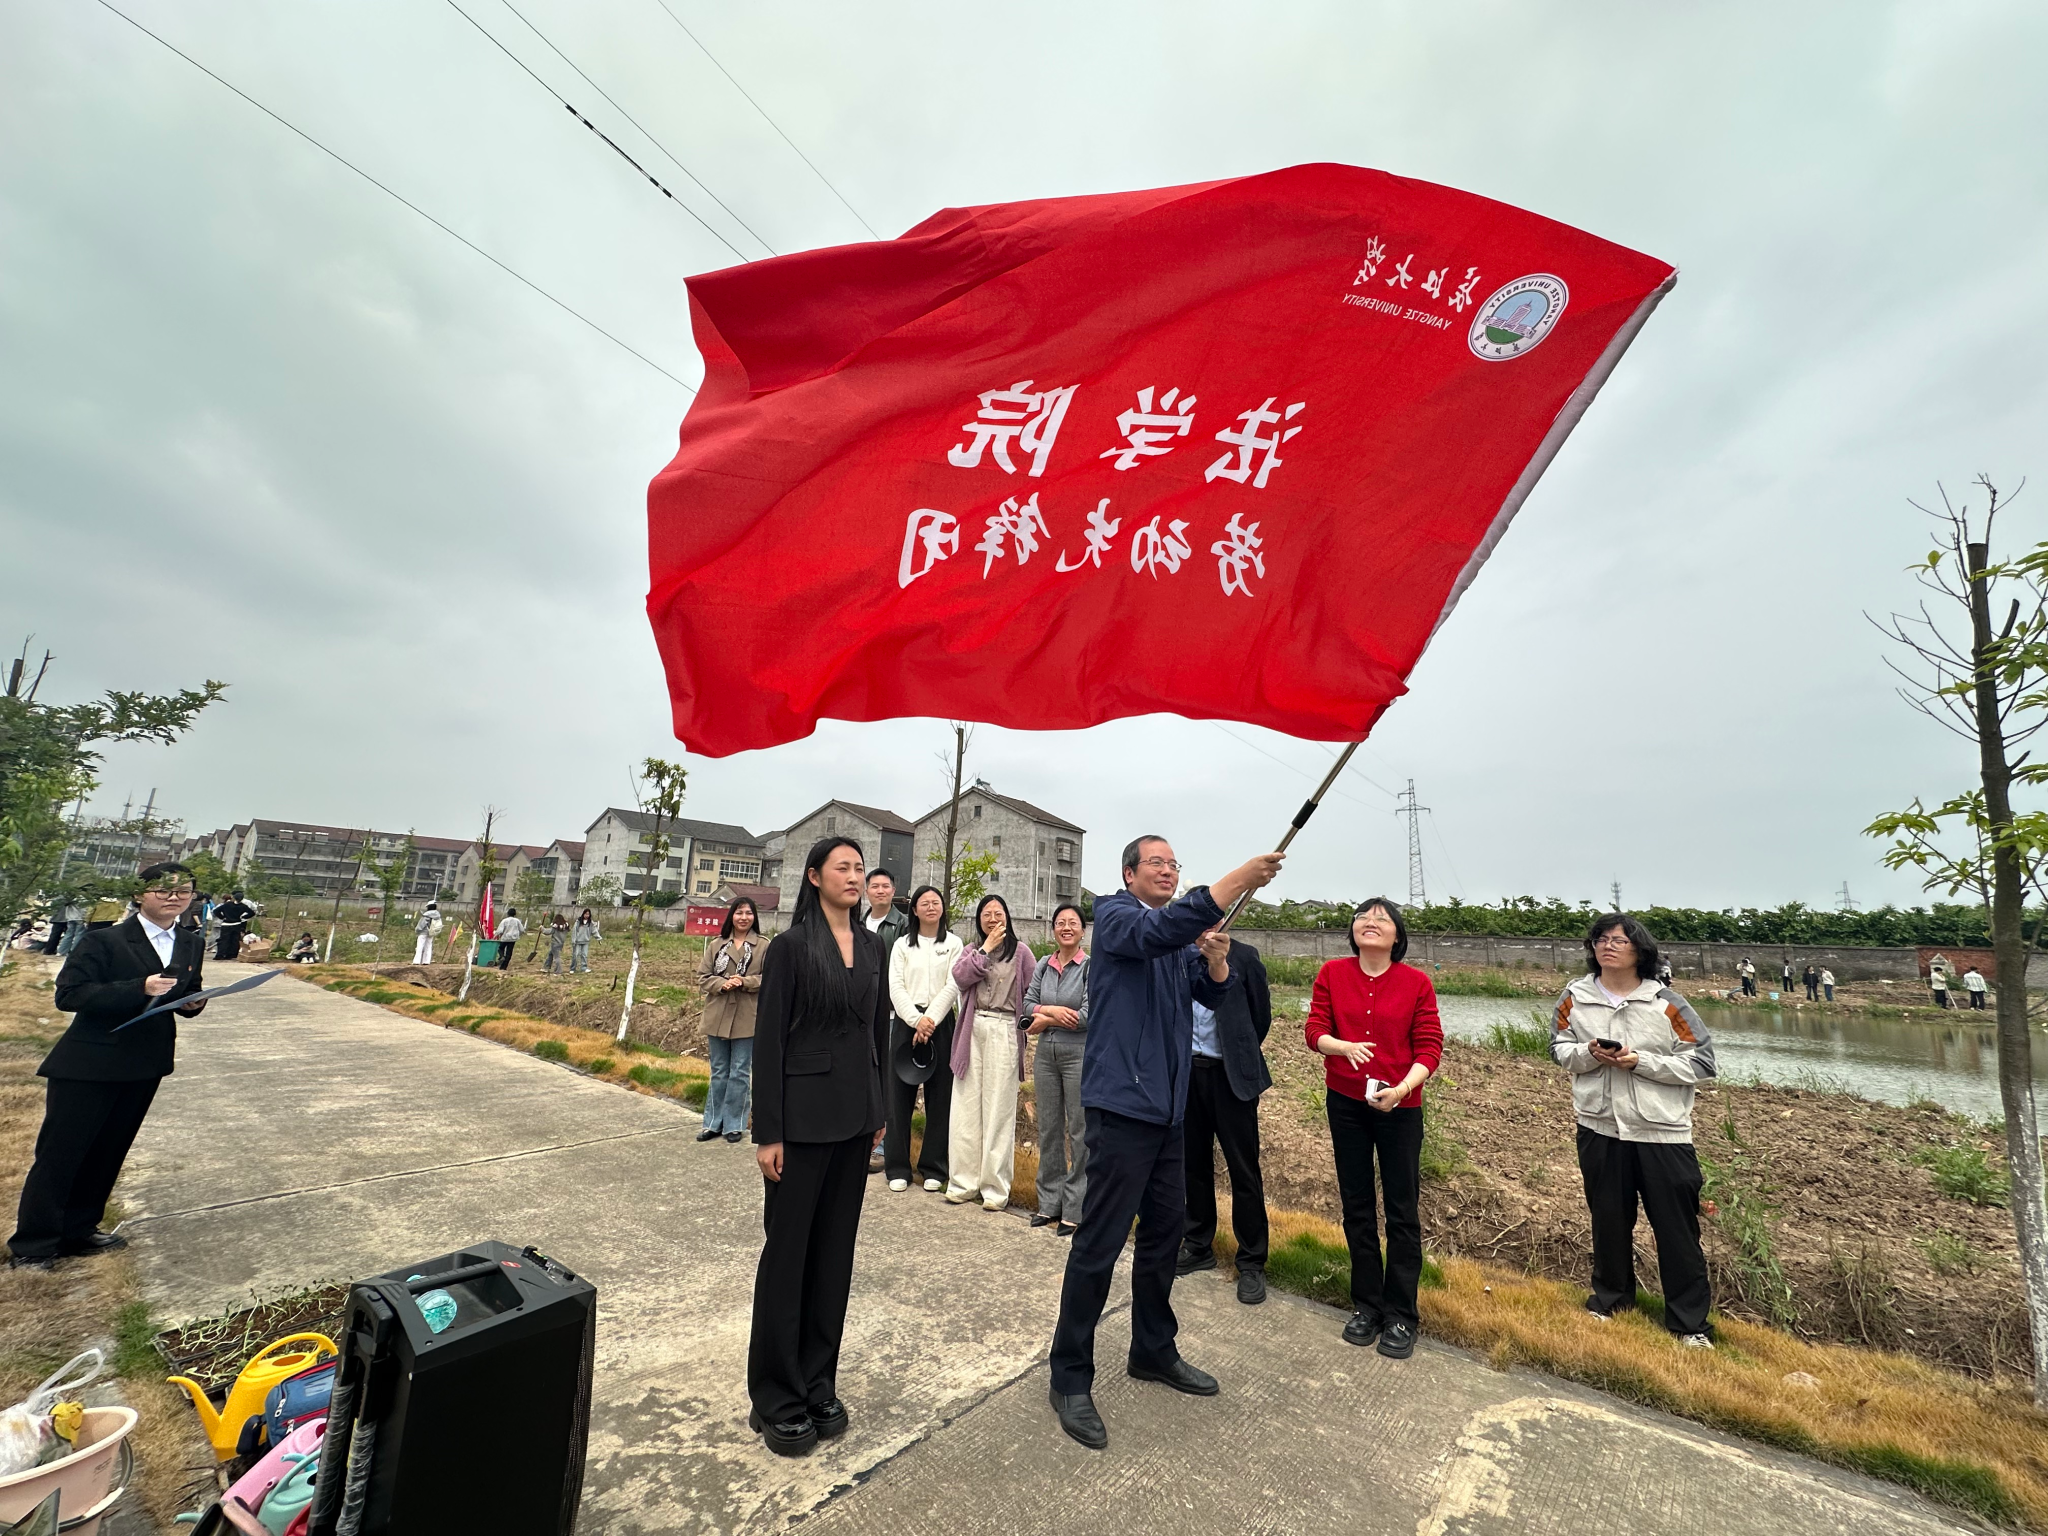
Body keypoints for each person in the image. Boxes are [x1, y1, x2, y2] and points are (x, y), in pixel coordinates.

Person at [1046, 836, 1283, 1451]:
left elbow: (1210, 994)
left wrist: (1217, 961)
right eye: (1157, 863)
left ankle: (1152, 1348)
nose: (1169, 871)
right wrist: (1238, 879)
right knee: (1100, 1242)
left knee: (1162, 1235)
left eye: (1175, 865)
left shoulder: (1175, 940)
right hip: (1123, 1107)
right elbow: (1162, 930)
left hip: (1168, 1110)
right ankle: (1069, 1375)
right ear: (1128, 874)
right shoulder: (1117, 918)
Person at [746, 836, 890, 1457]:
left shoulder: (874, 945)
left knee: (834, 1256)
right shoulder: (791, 947)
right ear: (814, 877)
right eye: (843, 867)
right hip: (801, 1126)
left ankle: (817, 1381)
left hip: (856, 1121)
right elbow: (769, 1040)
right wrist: (768, 1132)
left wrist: (879, 1110)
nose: (854, 876)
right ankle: (775, 1396)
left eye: (860, 868)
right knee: (788, 1258)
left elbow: (877, 1033)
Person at [8, 863, 209, 1270]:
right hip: (90, 1063)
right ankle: (34, 1243)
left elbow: (186, 991)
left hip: (146, 1063)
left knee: (109, 1151)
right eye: (163, 890)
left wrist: (193, 1003)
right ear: (138, 894)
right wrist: (139, 988)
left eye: (183, 890)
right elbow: (69, 995)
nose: (174, 897)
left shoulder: (191, 942)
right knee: (62, 1154)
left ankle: (80, 1230)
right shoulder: (104, 940)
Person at [1550, 912, 1717, 1348]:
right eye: (1601, 939)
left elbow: (1702, 1062)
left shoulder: (1666, 1003)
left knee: (1677, 1230)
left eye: (1619, 940)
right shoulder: (1575, 997)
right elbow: (1558, 1049)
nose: (1608, 946)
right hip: (1599, 1125)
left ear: (1640, 950)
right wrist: (1589, 1054)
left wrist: (1640, 1062)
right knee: (1608, 1219)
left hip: (1661, 1131)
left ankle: (1690, 1324)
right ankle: (1610, 1302)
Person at [1305, 899, 1442, 1357]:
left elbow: (1430, 1047)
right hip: (1346, 1103)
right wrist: (1342, 1047)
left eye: (1382, 918)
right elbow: (1314, 1031)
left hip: (1400, 1107)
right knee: (1356, 1204)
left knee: (1402, 1209)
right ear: (1352, 931)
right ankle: (1366, 1305)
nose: (1370, 922)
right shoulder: (1332, 973)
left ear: (1397, 936)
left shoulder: (1416, 982)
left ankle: (1401, 1314)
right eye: (1363, 916)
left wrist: (1402, 1089)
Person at [1178, 933, 1274, 1305]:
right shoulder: (1182, 956)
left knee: (1243, 1170)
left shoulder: (1245, 957)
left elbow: (1259, 1018)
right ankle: (1198, 1244)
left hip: (1231, 1078)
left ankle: (1251, 1261)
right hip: (1188, 1074)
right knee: (1193, 1165)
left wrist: (1237, 1052)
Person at [947, 896, 1035, 1210]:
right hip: (972, 1028)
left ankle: (995, 1190)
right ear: (979, 919)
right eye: (987, 913)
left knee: (999, 1109)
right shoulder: (972, 950)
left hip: (1004, 1028)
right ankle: (963, 1183)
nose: (993, 918)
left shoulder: (1021, 953)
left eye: (998, 913)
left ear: (1007, 917)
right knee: (966, 1107)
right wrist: (984, 949)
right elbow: (960, 978)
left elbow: (1032, 993)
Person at [883, 885, 961, 1194]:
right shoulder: (902, 945)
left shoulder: (954, 943)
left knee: (940, 1097)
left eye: (935, 902)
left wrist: (930, 1020)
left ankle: (934, 1168)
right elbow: (895, 986)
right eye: (924, 903)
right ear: (914, 910)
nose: (930, 907)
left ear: (942, 908)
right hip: (907, 1023)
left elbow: (953, 984)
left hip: (940, 1025)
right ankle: (897, 1168)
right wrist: (916, 1021)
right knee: (898, 1098)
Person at [1024, 903, 1090, 1235]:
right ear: (1053, 930)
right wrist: (1053, 1013)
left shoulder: (1090, 968)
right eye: (1060, 922)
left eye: (1073, 923)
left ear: (1083, 931)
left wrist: (1045, 1017)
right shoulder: (1043, 964)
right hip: (1045, 1057)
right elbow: (1027, 1005)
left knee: (1080, 1131)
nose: (1066, 927)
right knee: (1049, 1128)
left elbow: (1087, 1015)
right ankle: (1049, 1203)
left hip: (1079, 1055)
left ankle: (1075, 1209)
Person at [698, 898, 763, 1143]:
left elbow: (771, 977)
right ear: (731, 916)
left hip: (747, 1015)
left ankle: (734, 1124)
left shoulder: (763, 946)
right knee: (718, 1071)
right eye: (739, 913)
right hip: (718, 1014)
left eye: (748, 913)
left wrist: (744, 981)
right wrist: (722, 984)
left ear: (754, 917)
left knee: (740, 1072)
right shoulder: (717, 944)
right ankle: (712, 1123)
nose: (744, 917)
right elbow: (703, 977)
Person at [212, 890, 254, 961]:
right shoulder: (243, 906)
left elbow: (215, 911)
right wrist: (243, 917)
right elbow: (252, 913)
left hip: (226, 924)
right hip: (237, 924)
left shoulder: (227, 905)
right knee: (234, 940)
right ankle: (231, 954)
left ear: (234, 897)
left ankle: (220, 954)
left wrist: (222, 917)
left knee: (223, 940)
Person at [571, 908, 599, 973]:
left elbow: (594, 931)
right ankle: (573, 968)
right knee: (576, 955)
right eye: (586, 914)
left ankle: (584, 968)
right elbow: (574, 931)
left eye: (588, 914)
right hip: (578, 941)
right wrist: (573, 940)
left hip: (586, 941)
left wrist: (598, 938)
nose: (587, 915)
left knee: (584, 955)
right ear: (583, 914)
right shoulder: (578, 921)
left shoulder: (590, 923)